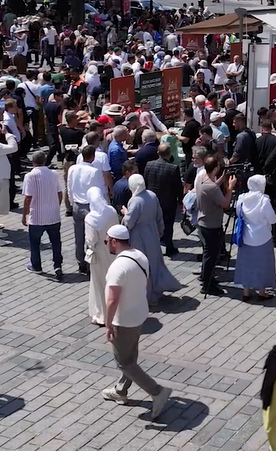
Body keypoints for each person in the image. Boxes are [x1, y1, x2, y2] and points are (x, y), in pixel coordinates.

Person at [101, 224, 172, 419]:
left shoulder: (117, 266)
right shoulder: (140, 256)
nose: (106, 243)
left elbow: (112, 299)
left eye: (107, 240)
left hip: (123, 320)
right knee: (131, 356)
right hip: (140, 314)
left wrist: (108, 324)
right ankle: (121, 390)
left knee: (124, 362)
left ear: (115, 241)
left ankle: (157, 391)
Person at [121, 174, 181, 306]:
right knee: (154, 263)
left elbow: (130, 222)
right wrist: (160, 230)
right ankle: (155, 292)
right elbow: (159, 215)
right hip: (152, 233)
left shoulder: (135, 201)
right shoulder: (152, 195)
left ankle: (146, 296)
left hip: (139, 237)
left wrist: (125, 212)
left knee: (142, 265)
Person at [195, 155, 236, 295]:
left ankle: (207, 277)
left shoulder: (202, 178)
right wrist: (230, 188)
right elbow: (225, 204)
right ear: (216, 168)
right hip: (212, 225)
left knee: (208, 253)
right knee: (211, 256)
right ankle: (207, 284)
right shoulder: (212, 187)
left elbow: (212, 188)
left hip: (203, 222)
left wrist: (222, 178)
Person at [234, 174, 276, 301]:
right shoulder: (264, 200)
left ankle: (246, 292)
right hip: (262, 237)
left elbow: (238, 214)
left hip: (246, 236)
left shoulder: (242, 198)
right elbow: (272, 219)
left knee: (246, 264)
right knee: (263, 264)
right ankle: (262, 291)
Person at [22, 150, 65, 278]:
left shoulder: (30, 176)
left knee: (35, 243)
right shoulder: (53, 174)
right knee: (56, 242)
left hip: (37, 217)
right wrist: (55, 206)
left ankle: (36, 266)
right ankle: (58, 265)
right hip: (53, 216)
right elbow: (59, 193)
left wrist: (24, 214)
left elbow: (28, 198)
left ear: (33, 162)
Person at [67, 145, 106, 275]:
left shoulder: (73, 168)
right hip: (90, 207)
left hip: (77, 205)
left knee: (78, 236)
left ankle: (80, 262)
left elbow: (69, 186)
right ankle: (91, 263)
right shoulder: (94, 172)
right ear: (93, 157)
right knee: (92, 238)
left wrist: (72, 202)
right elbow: (99, 190)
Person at [84, 187, 119, 325]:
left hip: (98, 253)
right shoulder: (111, 211)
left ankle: (103, 315)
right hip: (113, 249)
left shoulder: (90, 218)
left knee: (100, 284)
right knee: (114, 282)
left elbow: (91, 240)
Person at [143, 142, 183, 258]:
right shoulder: (173, 167)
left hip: (152, 200)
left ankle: (153, 247)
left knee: (153, 224)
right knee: (168, 225)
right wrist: (180, 201)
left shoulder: (149, 165)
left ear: (158, 153)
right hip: (168, 202)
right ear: (169, 154)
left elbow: (145, 181)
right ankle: (169, 247)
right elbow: (177, 187)